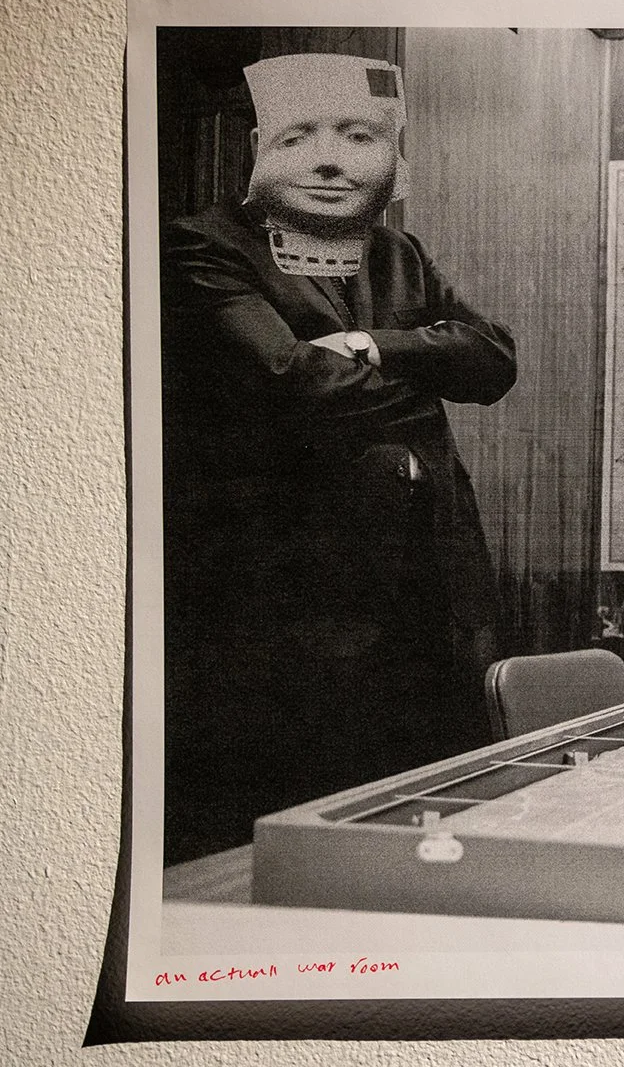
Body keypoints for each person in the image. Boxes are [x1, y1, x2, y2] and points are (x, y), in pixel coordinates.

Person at [161, 53, 517, 863]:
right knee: (298, 844)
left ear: (396, 158)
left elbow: (493, 361)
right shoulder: (200, 248)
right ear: (258, 149)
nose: (329, 159)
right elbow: (290, 379)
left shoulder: (402, 255)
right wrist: (426, 369)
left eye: (358, 135)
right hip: (286, 615)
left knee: (430, 833)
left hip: (434, 604)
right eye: (299, 137)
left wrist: (365, 344)